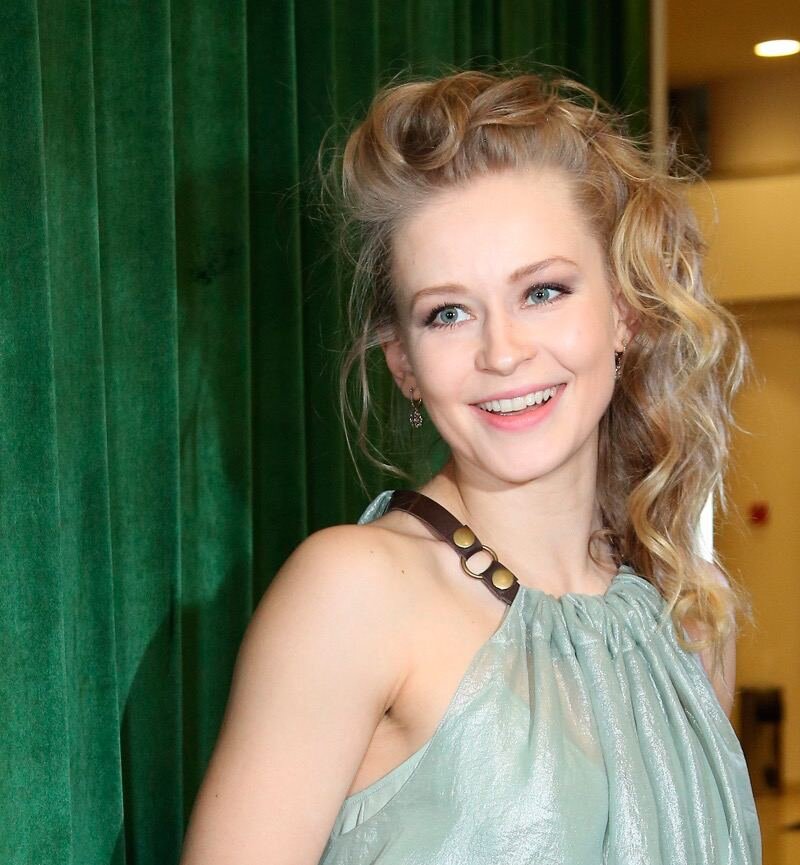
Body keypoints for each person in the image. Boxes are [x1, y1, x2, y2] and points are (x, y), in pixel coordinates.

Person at [180, 71, 762, 864]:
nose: (503, 352)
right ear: (404, 363)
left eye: (543, 291)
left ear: (624, 312)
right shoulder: (353, 593)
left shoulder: (689, 610)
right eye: (448, 312)